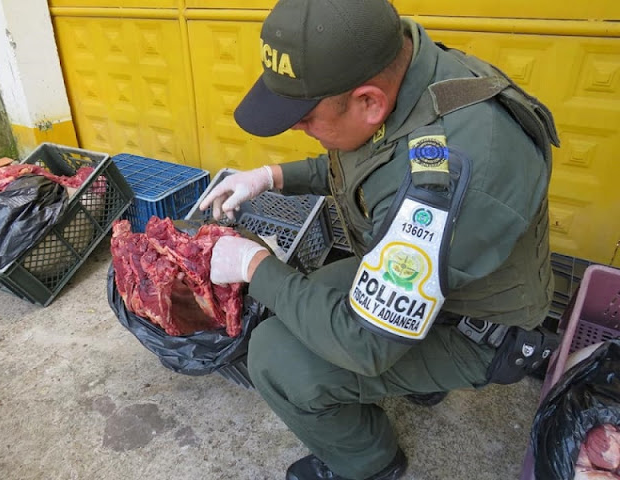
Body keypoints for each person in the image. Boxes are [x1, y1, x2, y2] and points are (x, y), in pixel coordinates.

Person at [199, 0, 559, 479]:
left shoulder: (457, 167)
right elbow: (374, 162)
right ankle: (417, 378)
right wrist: (272, 175)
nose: (299, 130)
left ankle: (368, 463)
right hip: (449, 275)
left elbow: (365, 344)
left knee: (277, 355)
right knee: (315, 292)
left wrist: (254, 266)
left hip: (480, 330)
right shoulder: (407, 66)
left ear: (369, 100)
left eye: (305, 119)